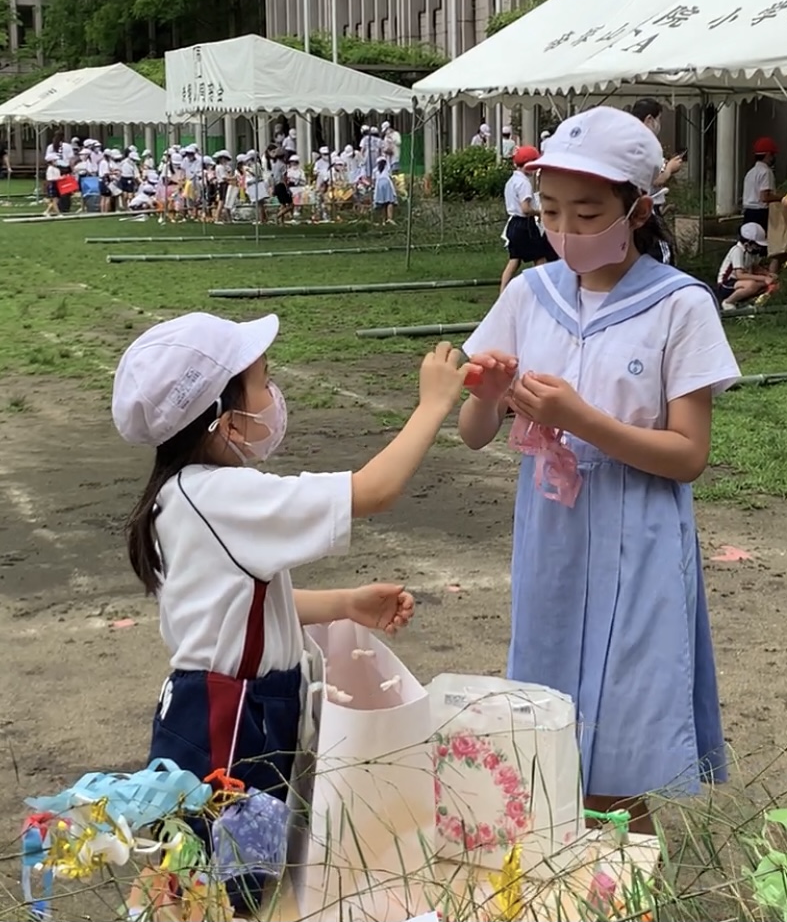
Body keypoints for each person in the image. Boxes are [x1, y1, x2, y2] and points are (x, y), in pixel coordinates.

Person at [112, 312, 472, 913]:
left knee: (202, 873)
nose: (273, 396)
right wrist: (433, 405)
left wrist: (345, 604)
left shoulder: (179, 494)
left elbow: (238, 610)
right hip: (233, 724)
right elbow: (374, 490)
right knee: (230, 886)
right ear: (220, 415)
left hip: (207, 710)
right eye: (262, 381)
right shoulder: (225, 495)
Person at [457, 106, 734, 834]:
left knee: (622, 739)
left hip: (638, 532)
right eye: (550, 211)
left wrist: (585, 421)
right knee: (546, 725)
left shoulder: (679, 304)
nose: (567, 230)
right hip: (553, 531)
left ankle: (626, 886)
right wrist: (486, 397)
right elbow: (474, 433)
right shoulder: (529, 294)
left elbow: (688, 454)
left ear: (637, 209)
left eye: (588, 212)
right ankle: (560, 884)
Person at [500, 145, 546, 290]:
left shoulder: (511, 181)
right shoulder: (524, 183)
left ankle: (503, 291)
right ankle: (542, 288)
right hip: (525, 225)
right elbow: (525, 209)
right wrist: (539, 212)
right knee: (540, 258)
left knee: (514, 260)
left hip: (513, 223)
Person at [716, 223, 773, 309]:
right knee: (752, 285)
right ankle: (728, 302)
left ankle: (744, 303)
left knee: (762, 285)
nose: (758, 248)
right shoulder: (737, 251)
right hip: (727, 283)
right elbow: (740, 275)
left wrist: (768, 274)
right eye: (756, 245)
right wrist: (764, 278)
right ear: (748, 243)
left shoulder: (750, 253)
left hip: (739, 282)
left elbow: (754, 267)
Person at [742, 136, 778, 231]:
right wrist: (782, 197)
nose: (774, 158)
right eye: (773, 155)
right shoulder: (766, 172)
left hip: (748, 212)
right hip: (760, 214)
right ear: (768, 155)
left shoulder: (750, 172)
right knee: (760, 241)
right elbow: (764, 197)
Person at [373, 157, 398, 224]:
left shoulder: (375, 171)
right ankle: (390, 218)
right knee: (390, 201)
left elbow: (374, 180)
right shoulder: (387, 168)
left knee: (382, 203)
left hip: (379, 185)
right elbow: (391, 177)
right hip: (387, 183)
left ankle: (383, 220)